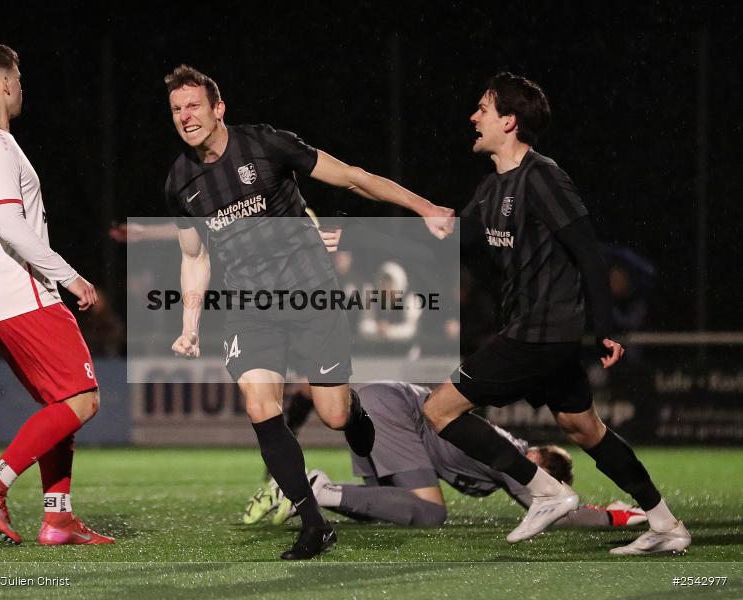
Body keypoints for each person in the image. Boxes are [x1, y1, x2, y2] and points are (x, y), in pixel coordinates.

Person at [162, 64, 453, 559]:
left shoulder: (265, 144)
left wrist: (423, 206)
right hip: (251, 308)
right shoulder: (179, 183)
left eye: (193, 105)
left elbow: (354, 179)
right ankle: (313, 524)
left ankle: (356, 416)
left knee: (335, 415)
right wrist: (189, 324)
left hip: (310, 295)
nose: (185, 116)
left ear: (218, 108)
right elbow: (194, 256)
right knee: (261, 407)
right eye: (175, 109)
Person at [421, 73, 690, 554]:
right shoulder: (490, 189)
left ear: (509, 120)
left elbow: (589, 253)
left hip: (540, 332)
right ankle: (666, 523)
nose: (473, 117)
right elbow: (456, 238)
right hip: (540, 333)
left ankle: (545, 490)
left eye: (482, 108)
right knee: (583, 428)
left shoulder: (542, 176)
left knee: (438, 409)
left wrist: (604, 328)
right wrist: (401, 219)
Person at [0, 43, 112, 546]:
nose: (22, 87)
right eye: (18, 77)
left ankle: (57, 519)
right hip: (26, 294)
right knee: (83, 400)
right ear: (3, 82)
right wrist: (71, 276)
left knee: (59, 405)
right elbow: (11, 227)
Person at [244, 382, 647, 529]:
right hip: (396, 414)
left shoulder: (509, 444)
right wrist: (616, 515)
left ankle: (308, 495)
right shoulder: (515, 457)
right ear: (541, 462)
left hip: (383, 406)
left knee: (386, 508)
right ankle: (317, 490)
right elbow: (559, 508)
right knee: (432, 512)